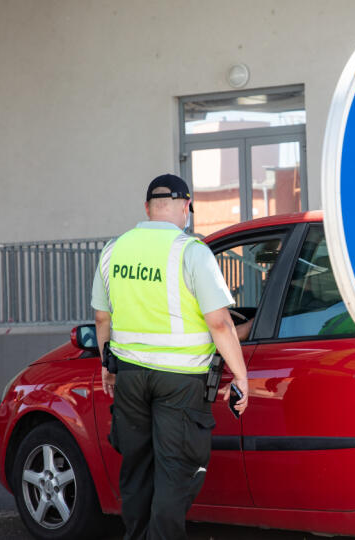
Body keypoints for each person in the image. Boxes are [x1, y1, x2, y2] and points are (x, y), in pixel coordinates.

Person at [90, 174, 249, 540]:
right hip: (181, 382)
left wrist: (106, 364)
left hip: (129, 377)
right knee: (175, 472)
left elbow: (102, 318)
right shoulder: (191, 251)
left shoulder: (114, 250)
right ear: (185, 206)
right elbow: (220, 323)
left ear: (146, 208)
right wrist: (240, 377)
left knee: (137, 467)